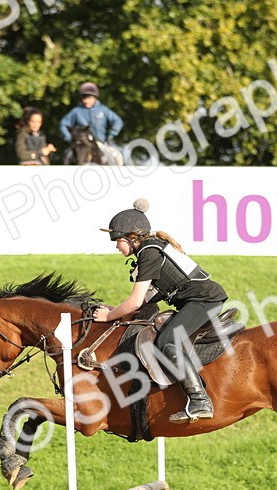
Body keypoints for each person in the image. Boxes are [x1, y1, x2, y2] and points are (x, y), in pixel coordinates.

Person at [93, 199, 228, 423]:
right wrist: (116, 310)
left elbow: (136, 302)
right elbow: (147, 298)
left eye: (117, 241)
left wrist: (108, 316)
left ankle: (199, 400)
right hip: (196, 300)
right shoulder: (150, 249)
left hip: (204, 300)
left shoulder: (149, 253)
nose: (116, 247)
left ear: (132, 237)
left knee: (168, 341)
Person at [59, 82, 123, 146]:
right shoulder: (76, 112)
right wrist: (69, 138)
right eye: (84, 98)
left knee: (118, 155)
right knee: (68, 155)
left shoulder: (103, 110)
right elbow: (63, 124)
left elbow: (118, 121)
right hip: (82, 145)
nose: (86, 101)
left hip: (102, 143)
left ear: (95, 98)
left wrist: (111, 135)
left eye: (89, 98)